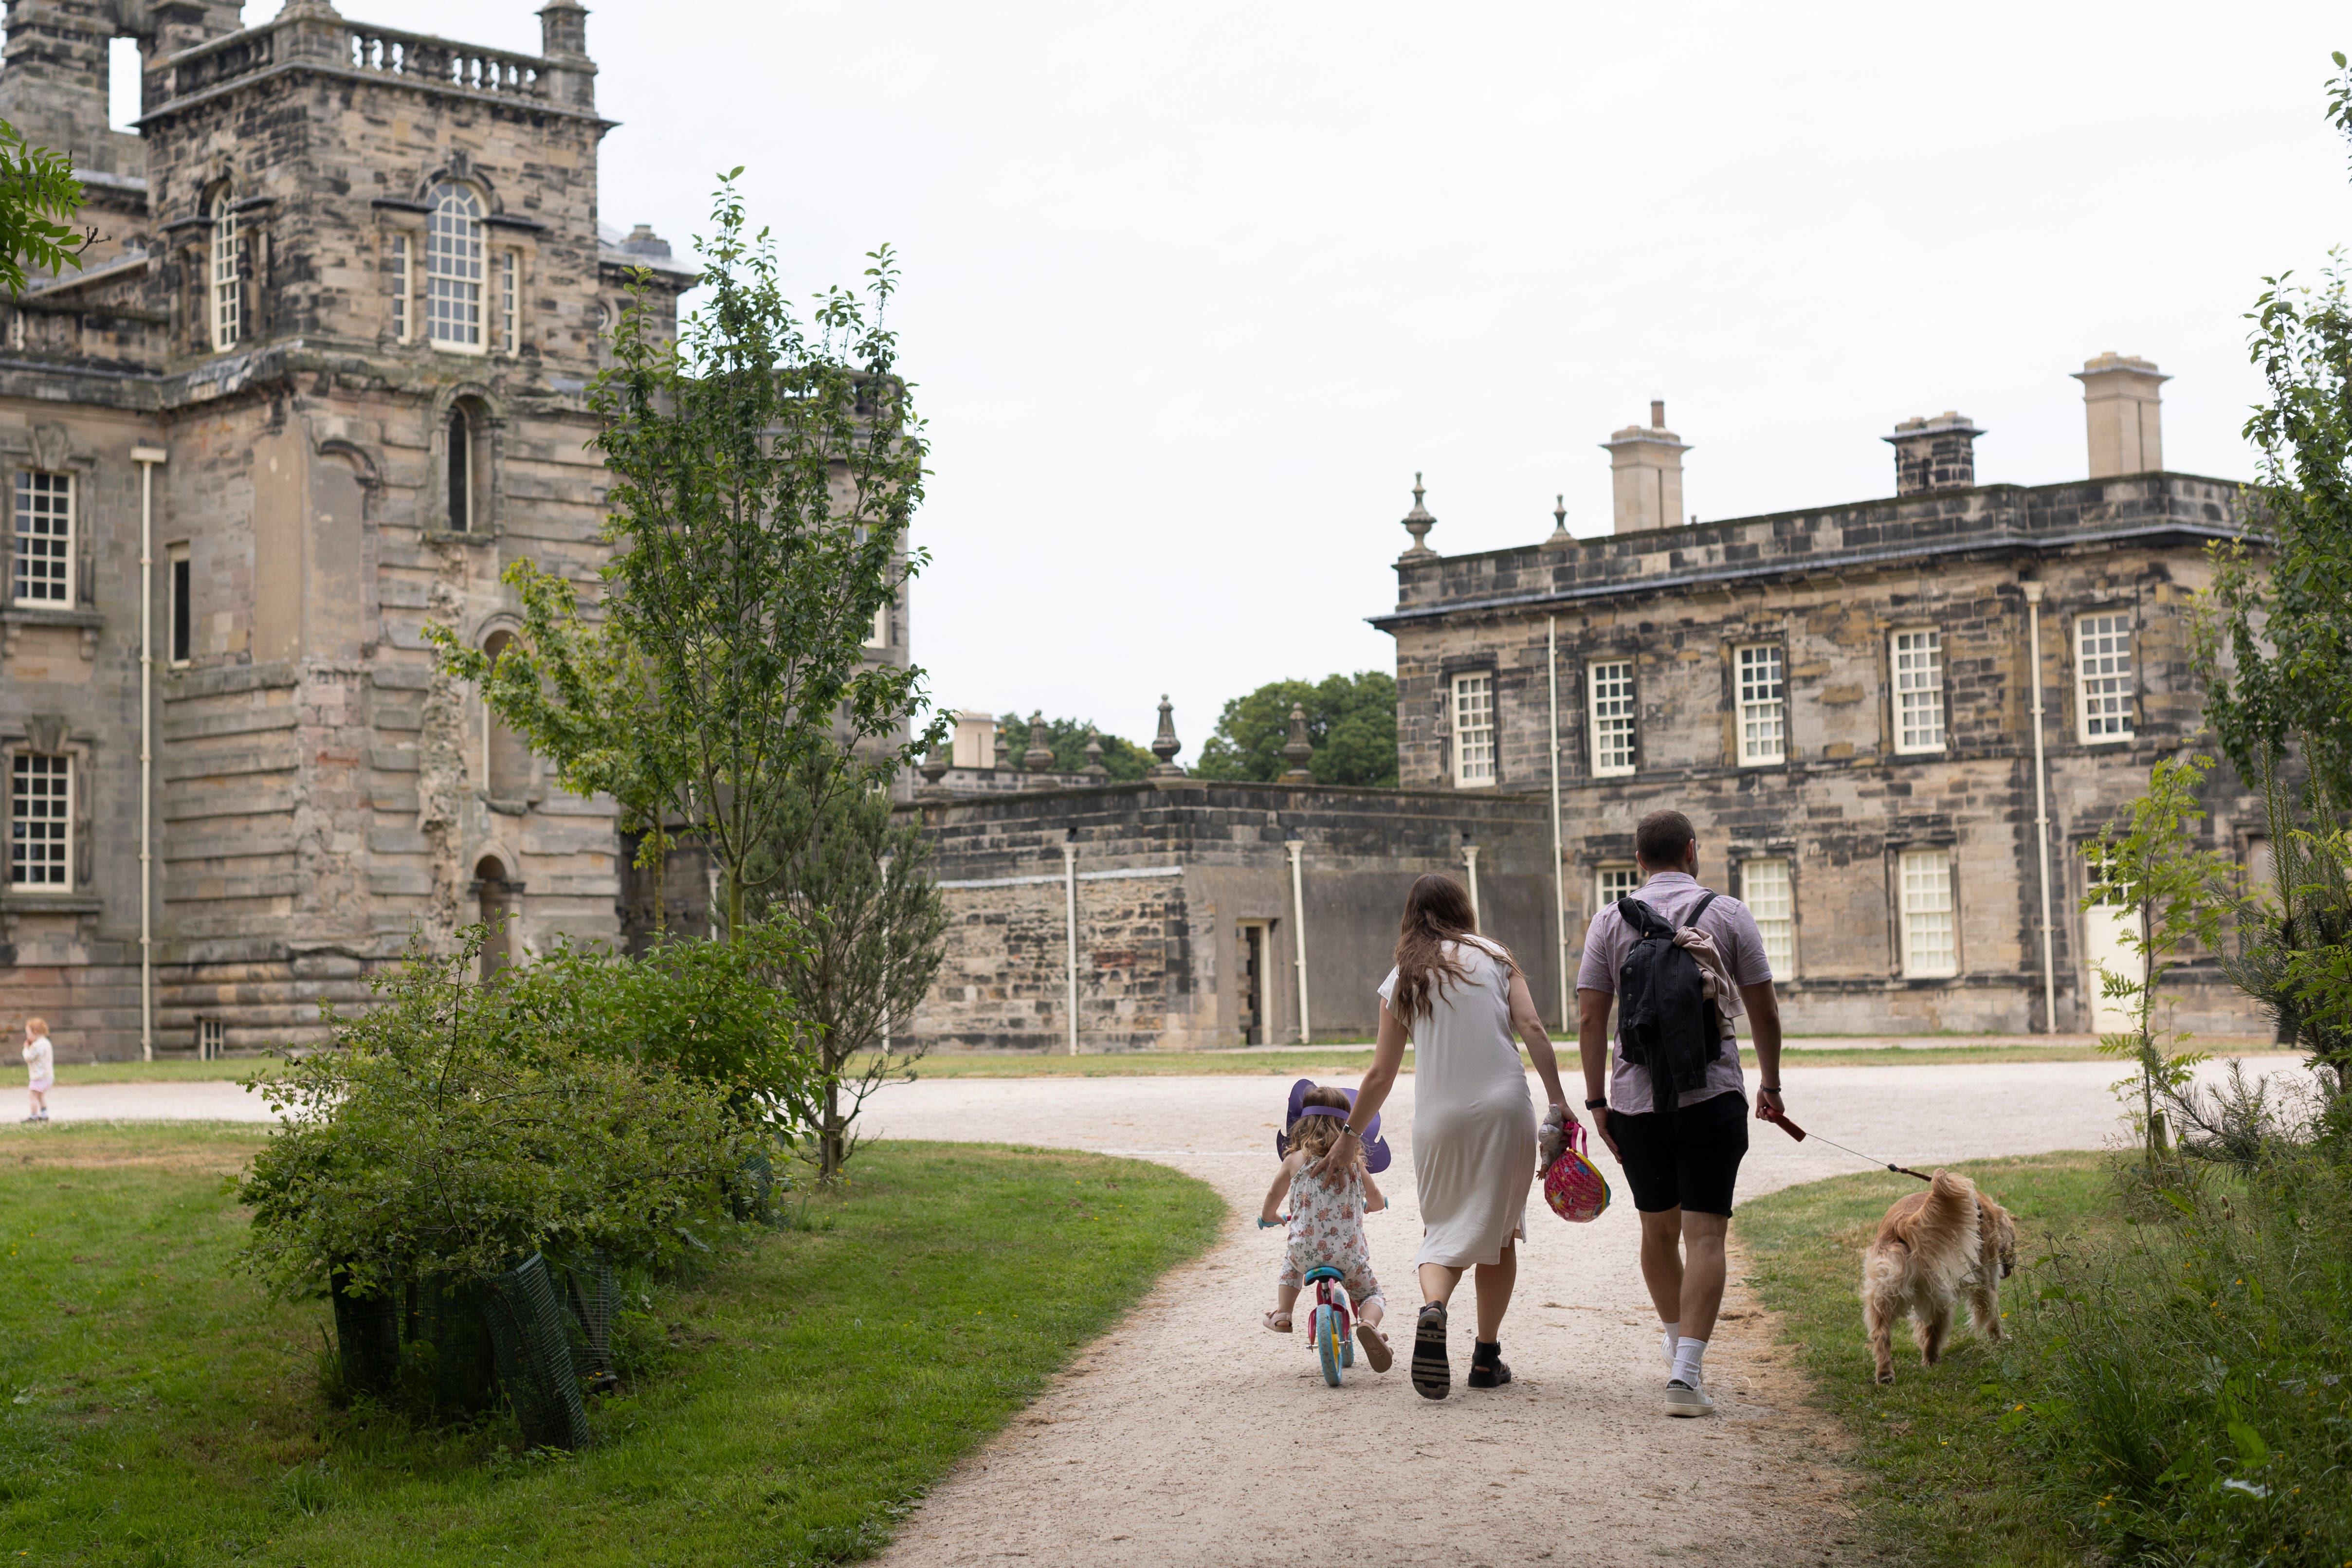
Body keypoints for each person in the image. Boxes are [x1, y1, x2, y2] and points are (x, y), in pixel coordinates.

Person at [1333, 874, 1574, 1401]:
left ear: (1410, 916)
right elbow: (1532, 1027)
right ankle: (1486, 1358)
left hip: (1439, 1119)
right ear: (1462, 909)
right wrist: (1557, 1102)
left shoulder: (1403, 977)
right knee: (1502, 1231)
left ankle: (1433, 1309)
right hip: (1506, 1109)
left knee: (1442, 1228)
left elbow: (1380, 1075)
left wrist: (1349, 1136)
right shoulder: (1494, 957)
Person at [1577, 809, 1783, 1418]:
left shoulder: (1610, 921)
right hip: (1712, 1096)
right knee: (1707, 1235)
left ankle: (1675, 1352)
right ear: (1692, 851)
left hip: (1637, 1102)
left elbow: (1592, 1019)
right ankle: (1687, 1376)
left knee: (1657, 1231)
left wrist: (1597, 1101)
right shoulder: (1729, 913)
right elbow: (1764, 1010)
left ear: (1638, 860)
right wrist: (1770, 1083)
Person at [1260, 1084, 1392, 1371]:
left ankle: (1284, 1313)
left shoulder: (1294, 1160)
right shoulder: (1354, 1164)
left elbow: (1274, 1195)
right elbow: (1377, 1201)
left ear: (1302, 1124)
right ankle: (1368, 1324)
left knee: (1291, 1265)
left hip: (1305, 1252)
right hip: (1347, 1254)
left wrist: (1270, 1216)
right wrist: (1372, 1205)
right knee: (1372, 1295)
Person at [22, 1017, 55, 1124]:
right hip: (48, 1077)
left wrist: (26, 1049)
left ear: (35, 1032)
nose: (27, 1037)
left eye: (28, 1034)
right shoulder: (46, 1043)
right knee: (40, 1095)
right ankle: (44, 1115)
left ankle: (34, 1116)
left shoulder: (37, 1045)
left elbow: (29, 1058)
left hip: (39, 1077)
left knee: (32, 1096)